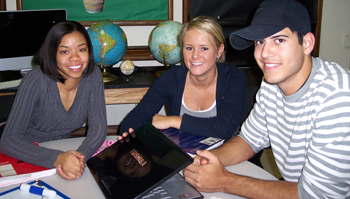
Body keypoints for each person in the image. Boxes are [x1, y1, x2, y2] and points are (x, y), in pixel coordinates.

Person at [183, 0, 350, 198]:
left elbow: (316, 195)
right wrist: (201, 162)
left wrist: (223, 181)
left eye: (279, 40)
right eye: (259, 42)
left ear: (307, 43)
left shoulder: (337, 96)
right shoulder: (271, 84)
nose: (265, 54)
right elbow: (248, 140)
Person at [0, 21, 107, 180]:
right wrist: (57, 158)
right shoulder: (36, 80)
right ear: (52, 54)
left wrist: (79, 158)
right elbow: (9, 140)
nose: (75, 58)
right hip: (23, 154)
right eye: (64, 52)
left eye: (81, 49)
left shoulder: (93, 76)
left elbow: (98, 127)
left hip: (58, 155)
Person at [120, 16, 246, 140]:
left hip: (224, 155)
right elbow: (136, 117)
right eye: (189, 48)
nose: (195, 56)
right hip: (184, 155)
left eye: (204, 48)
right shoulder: (170, 78)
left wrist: (173, 121)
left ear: (219, 50)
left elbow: (224, 128)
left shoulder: (234, 77)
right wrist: (129, 134)